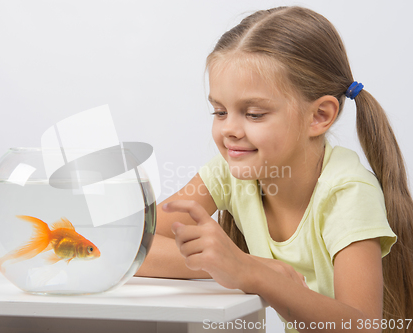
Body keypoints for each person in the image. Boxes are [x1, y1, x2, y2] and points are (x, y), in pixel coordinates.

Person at [136, 6, 413, 333]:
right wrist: (238, 266)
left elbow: (362, 326)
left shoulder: (347, 194)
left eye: (253, 114)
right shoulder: (227, 174)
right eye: (220, 112)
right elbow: (133, 246)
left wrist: (250, 272)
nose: (229, 130)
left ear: (319, 116)